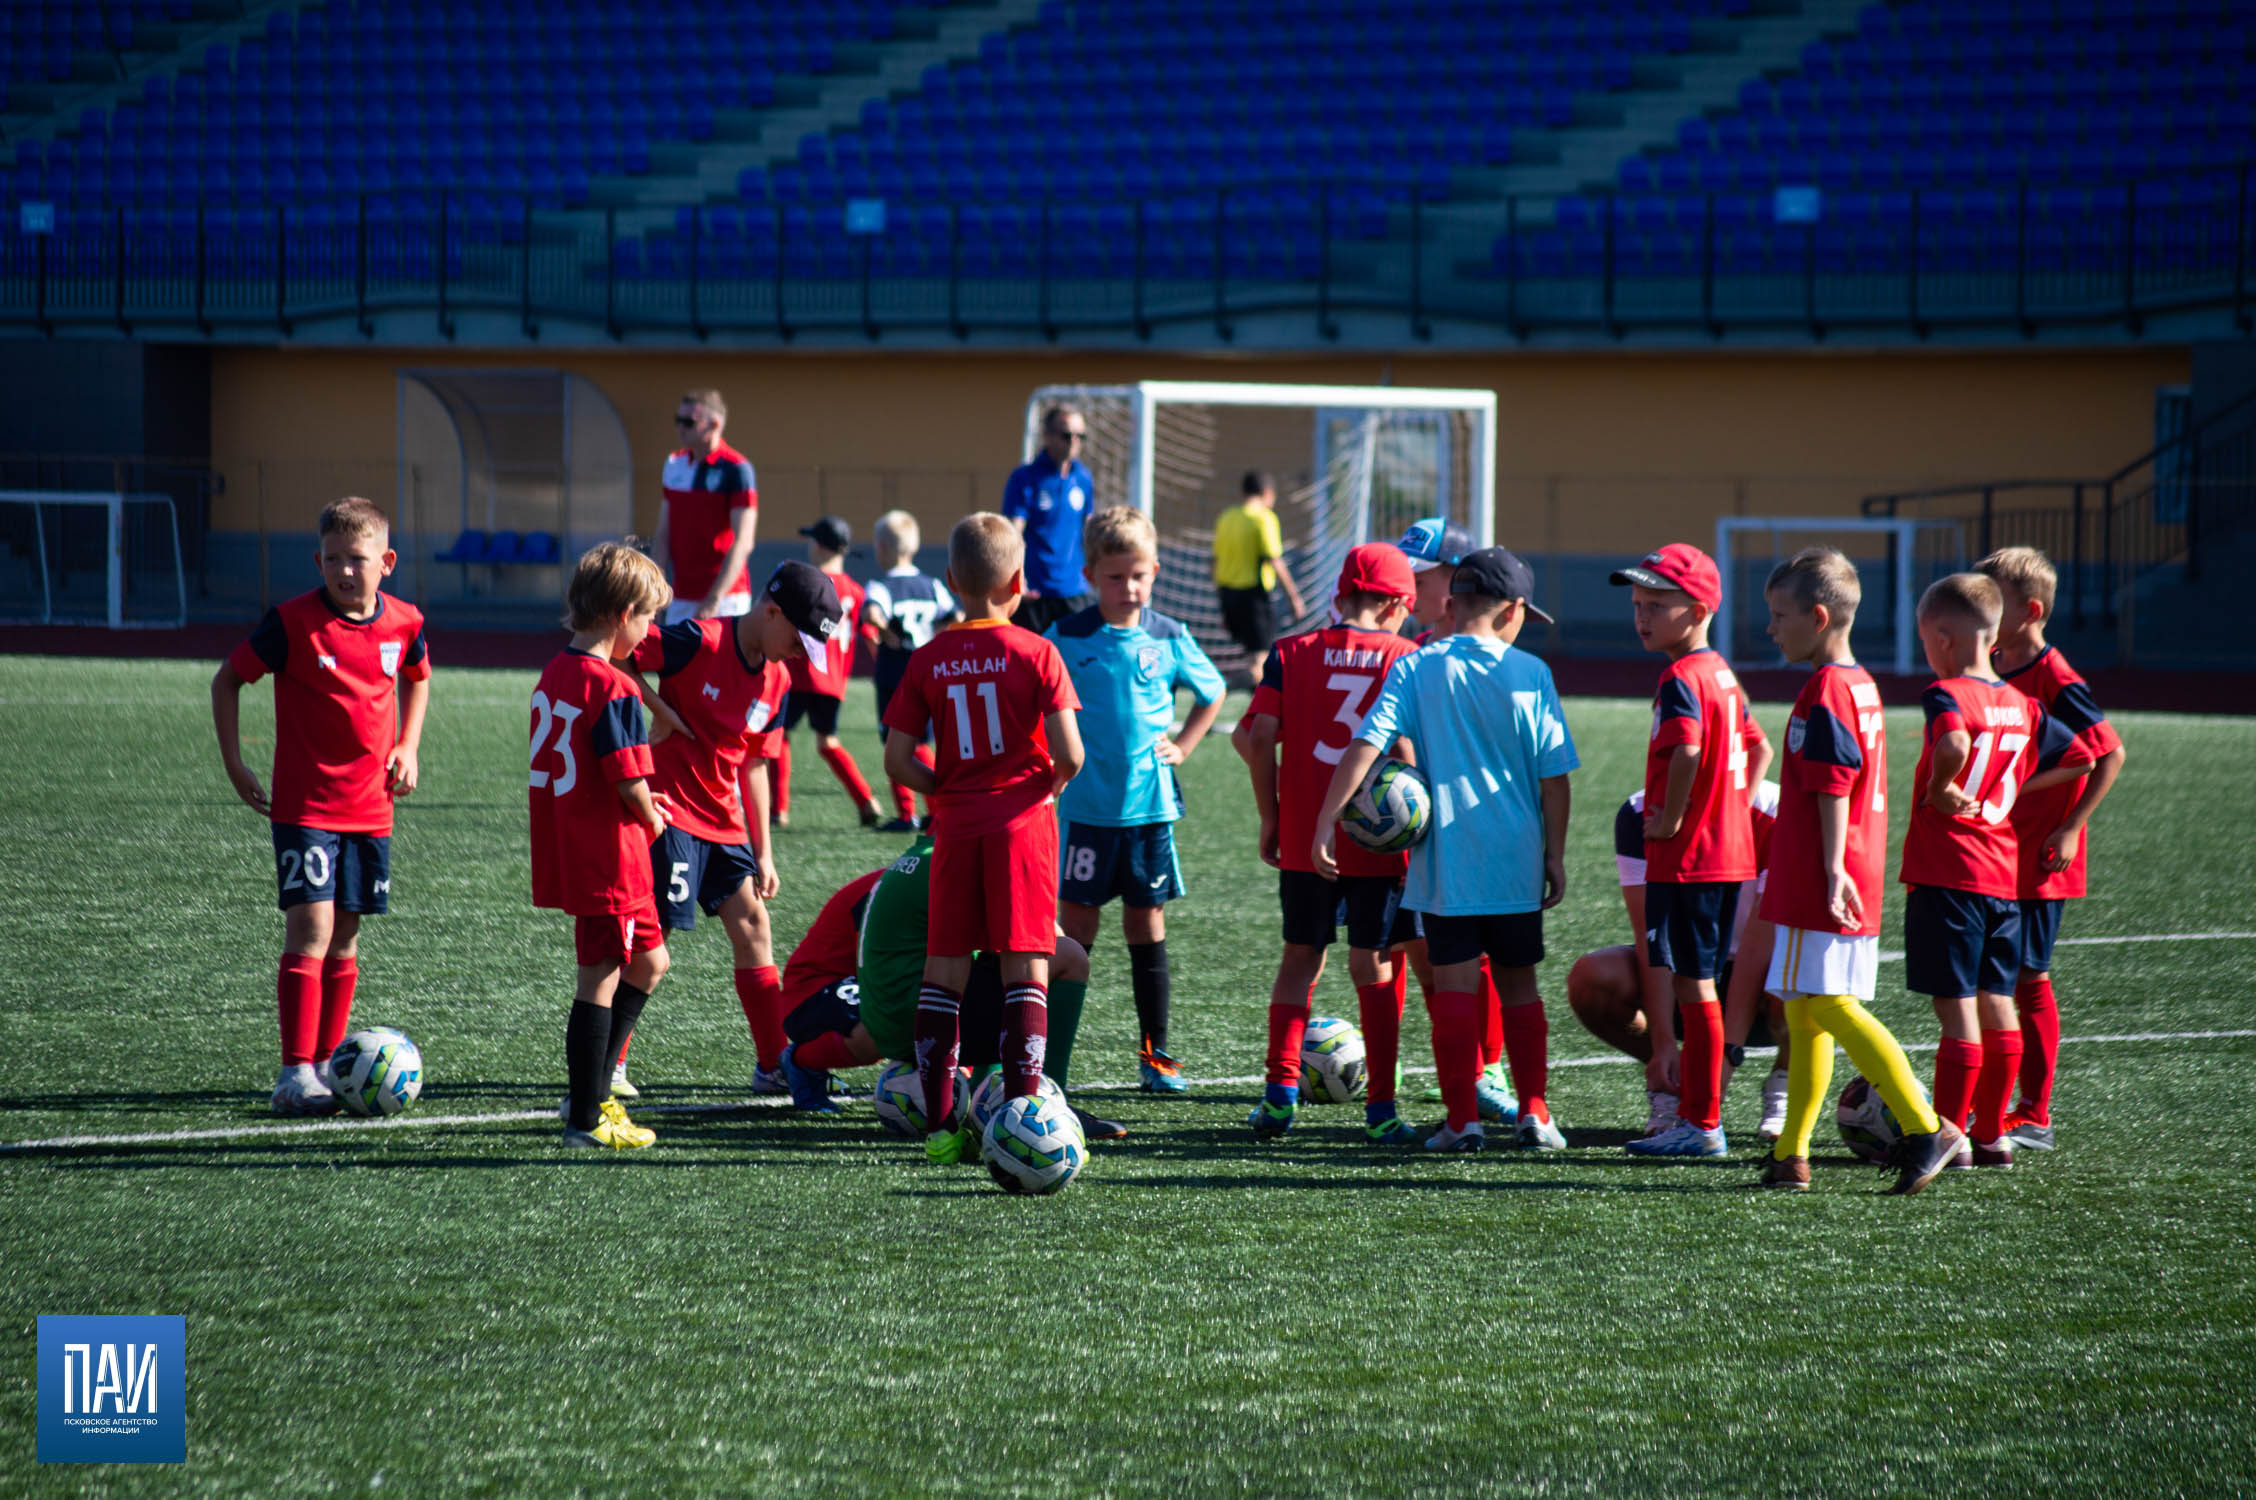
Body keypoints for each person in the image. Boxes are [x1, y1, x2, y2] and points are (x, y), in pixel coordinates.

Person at [1313, 547, 1578, 1152]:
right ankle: (1535, 1113)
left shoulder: (1416, 668)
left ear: (1452, 605)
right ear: (1514, 610)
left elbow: (1365, 744)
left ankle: (1463, 1120)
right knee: (1520, 989)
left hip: (1448, 862)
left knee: (1455, 986)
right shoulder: (1532, 673)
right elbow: (1554, 778)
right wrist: (1555, 854)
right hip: (1516, 859)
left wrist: (1328, 819)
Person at [212, 497, 432, 1116]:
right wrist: (235, 762)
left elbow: (418, 676)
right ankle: (293, 1072)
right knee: (311, 928)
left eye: (356, 559)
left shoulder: (405, 622)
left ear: (385, 562)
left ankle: (331, 1062)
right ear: (317, 559)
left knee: (347, 935)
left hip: (371, 808)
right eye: (332, 559)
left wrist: (408, 746)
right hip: (305, 806)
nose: (343, 571)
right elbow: (227, 678)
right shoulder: (291, 622)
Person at [1756, 547, 1963, 1194]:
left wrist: (1829, 868)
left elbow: (1832, 785)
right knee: (1804, 1013)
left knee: (1827, 1004)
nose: (1771, 628)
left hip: (1825, 874)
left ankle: (1925, 1125)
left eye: (1779, 615)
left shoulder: (1829, 688)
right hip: (1838, 869)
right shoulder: (1860, 684)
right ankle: (1791, 1154)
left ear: (1818, 618)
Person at [882, 513, 1085, 1164]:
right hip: (1023, 826)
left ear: (949, 582)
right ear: (1020, 582)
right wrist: (1046, 790)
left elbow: (896, 759)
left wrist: (947, 791)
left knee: (944, 974)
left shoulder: (928, 658)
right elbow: (1071, 754)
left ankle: (941, 1129)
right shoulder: (1038, 651)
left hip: (956, 827)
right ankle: (1023, 1118)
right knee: (1025, 970)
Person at [614, 561, 844, 1102]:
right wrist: (657, 707)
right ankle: (612, 1061)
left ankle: (772, 1065)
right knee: (654, 942)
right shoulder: (698, 639)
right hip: (669, 810)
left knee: (754, 926)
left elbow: (757, 764)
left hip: (724, 820)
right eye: (797, 638)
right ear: (770, 611)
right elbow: (615, 654)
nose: (798, 654)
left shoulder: (781, 677)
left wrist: (764, 853)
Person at [1234, 543, 1422, 1144]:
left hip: (1304, 832)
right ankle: (1383, 1109)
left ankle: (1280, 1097)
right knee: (1375, 965)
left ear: (1340, 596)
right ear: (1396, 604)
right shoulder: (1406, 656)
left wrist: (1271, 815)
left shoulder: (1290, 653)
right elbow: (1409, 753)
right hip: (1380, 841)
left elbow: (1258, 738)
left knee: (1299, 960)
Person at [1901, 573, 2088, 1170]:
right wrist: (2006, 795)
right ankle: (1992, 1135)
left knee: (1956, 1008)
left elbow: (1953, 744)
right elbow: (2080, 754)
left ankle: (1949, 1134)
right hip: (2002, 876)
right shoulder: (2023, 703)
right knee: (1998, 1002)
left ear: (1945, 637)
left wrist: (1942, 788)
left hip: (1948, 871)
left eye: (1927, 640)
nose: (1927, 652)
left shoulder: (1947, 693)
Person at [1049, 507, 1226, 1092]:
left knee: (1146, 928)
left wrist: (1184, 745)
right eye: (1115, 577)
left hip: (1148, 811)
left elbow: (1213, 691)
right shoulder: (1067, 637)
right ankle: (1053, 1066)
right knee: (1074, 934)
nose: (1129, 589)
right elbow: (1036, 698)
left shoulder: (1169, 635)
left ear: (1155, 572)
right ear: (1090, 576)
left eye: (1139, 576)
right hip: (1085, 813)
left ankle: (1157, 1058)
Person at [1611, 543, 1772, 1160]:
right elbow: (1758, 748)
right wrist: (1733, 807)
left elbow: (1689, 750)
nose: (1642, 616)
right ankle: (1700, 1118)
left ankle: (1700, 1122)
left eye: (1657, 605)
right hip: (1721, 854)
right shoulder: (1722, 674)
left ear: (1700, 608)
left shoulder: (1680, 677)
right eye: (1637, 604)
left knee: (1693, 987)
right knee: (1696, 984)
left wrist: (1673, 817)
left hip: (1689, 858)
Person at [797, 833, 1121, 1138]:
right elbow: (1038, 941)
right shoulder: (958, 863)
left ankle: (991, 1095)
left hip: (888, 1024)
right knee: (1066, 956)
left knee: (998, 961)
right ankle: (1040, 1108)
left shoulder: (923, 856)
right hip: (920, 1026)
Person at [1977, 546, 2128, 1153]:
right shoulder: (1990, 663)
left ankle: (2033, 1112)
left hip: (2041, 854)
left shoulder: (2056, 678)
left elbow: (2106, 753)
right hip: (1997, 846)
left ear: (2030, 610)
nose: (1980, 609)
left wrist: (2069, 829)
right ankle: (1989, 1098)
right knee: (1994, 978)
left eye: (1993, 600)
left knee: (2028, 979)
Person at [529, 542, 673, 1149]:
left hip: (593, 844)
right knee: (600, 977)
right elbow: (625, 775)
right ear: (621, 614)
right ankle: (585, 1119)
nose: (649, 633)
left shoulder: (557, 669)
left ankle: (590, 1091)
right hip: (608, 851)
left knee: (651, 962)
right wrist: (653, 814)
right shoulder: (611, 686)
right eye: (646, 618)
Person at [1566, 779, 1787, 1141]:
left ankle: (1783, 1084)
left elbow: (1755, 950)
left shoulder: (1773, 809)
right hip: (1687, 970)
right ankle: (1671, 1083)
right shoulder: (1640, 812)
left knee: (1807, 983)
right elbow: (1651, 938)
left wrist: (1726, 1056)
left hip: (1762, 978)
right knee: (1593, 977)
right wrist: (1664, 1044)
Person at [1392, 515, 1515, 1114]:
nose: (1406, 585)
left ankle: (1489, 1069)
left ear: (1458, 581)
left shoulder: (1492, 655)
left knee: (1480, 954)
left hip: (1476, 827)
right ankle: (1462, 1071)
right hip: (1417, 832)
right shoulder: (1412, 652)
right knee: (1428, 958)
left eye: (1421, 574)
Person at [772, 516, 883, 828]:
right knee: (828, 742)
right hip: (832, 681)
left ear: (819, 545)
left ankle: (778, 809)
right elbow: (869, 633)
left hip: (797, 675)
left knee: (778, 736)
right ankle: (866, 800)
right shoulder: (856, 592)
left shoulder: (807, 580)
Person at [861, 509, 956, 833]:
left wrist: (887, 632)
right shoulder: (931, 585)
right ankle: (937, 810)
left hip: (895, 671)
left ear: (883, 548)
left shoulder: (881, 586)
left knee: (895, 741)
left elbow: (872, 613)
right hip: (929, 670)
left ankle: (906, 814)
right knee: (922, 742)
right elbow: (954, 617)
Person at [652, 389, 760, 625]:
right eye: (678, 420)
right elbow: (663, 535)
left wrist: (714, 599)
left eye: (689, 422)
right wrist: (655, 594)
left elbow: (744, 541)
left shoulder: (737, 468)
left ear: (714, 424)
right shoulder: (673, 464)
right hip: (681, 596)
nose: (680, 427)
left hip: (726, 599)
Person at [1001, 403, 1097, 636]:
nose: (1073, 441)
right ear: (1047, 436)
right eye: (1066, 434)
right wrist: (1016, 580)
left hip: (1074, 592)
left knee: (1074, 667)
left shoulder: (1083, 478)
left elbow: (1089, 530)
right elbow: (1013, 534)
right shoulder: (1025, 478)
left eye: (1079, 436)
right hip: (1036, 593)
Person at [1212, 470, 1309, 681]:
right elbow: (1274, 559)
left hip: (1228, 595)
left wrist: (1222, 605)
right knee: (1260, 658)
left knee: (1251, 655)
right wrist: (1294, 597)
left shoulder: (1226, 517)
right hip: (1253, 596)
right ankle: (1234, 688)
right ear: (1267, 492)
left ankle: (1249, 700)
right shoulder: (1263, 518)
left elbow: (1216, 562)